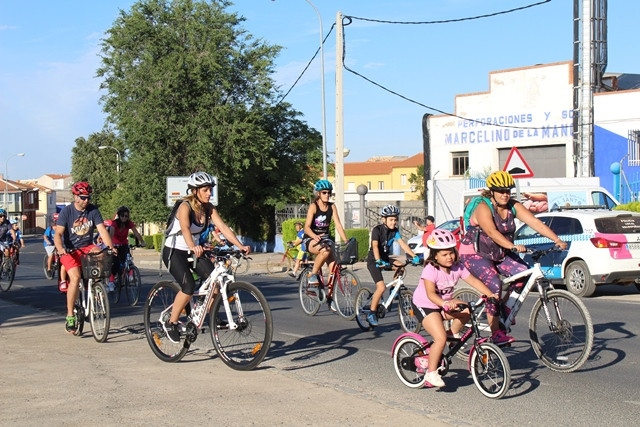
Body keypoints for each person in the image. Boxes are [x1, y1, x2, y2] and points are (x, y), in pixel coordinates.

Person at [459, 171, 568, 344]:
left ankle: (503, 309)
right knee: (494, 285)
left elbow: (535, 222)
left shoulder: (513, 206)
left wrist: (557, 239)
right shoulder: (483, 207)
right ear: (492, 192)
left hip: (499, 252)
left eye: (508, 191)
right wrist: (512, 246)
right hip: (474, 252)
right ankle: (496, 333)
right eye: (501, 191)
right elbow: (491, 232)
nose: (505, 194)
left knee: (524, 274)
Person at [162, 172, 250, 343]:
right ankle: (171, 323)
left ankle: (211, 316)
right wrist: (192, 246)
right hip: (174, 250)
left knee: (214, 282)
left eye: (210, 190)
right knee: (188, 286)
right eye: (205, 190)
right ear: (195, 191)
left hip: (195, 251)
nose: (209, 193)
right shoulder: (185, 206)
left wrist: (239, 246)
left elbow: (223, 227)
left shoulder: (209, 208)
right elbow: (186, 229)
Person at [412, 229, 498, 388]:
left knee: (467, 311)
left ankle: (452, 334)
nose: (449, 257)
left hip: (444, 304)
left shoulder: (458, 267)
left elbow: (474, 281)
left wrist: (490, 294)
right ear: (434, 255)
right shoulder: (430, 270)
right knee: (440, 338)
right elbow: (431, 294)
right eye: (444, 254)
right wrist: (444, 304)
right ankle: (431, 374)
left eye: (451, 252)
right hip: (425, 305)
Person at [54, 181, 116, 334]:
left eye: (88, 197)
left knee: (101, 253)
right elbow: (58, 234)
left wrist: (110, 247)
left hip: (87, 246)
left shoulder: (93, 210)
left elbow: (102, 231)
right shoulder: (66, 212)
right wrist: (60, 249)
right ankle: (70, 315)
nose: (86, 200)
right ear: (75, 196)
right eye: (82, 197)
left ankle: (96, 286)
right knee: (74, 278)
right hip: (70, 250)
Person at [366, 205, 420, 326]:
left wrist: (414, 256)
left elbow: (403, 245)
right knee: (380, 287)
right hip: (374, 261)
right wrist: (378, 260)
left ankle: (394, 288)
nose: (393, 222)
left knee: (401, 266)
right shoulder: (377, 230)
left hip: (385, 259)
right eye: (391, 219)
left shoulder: (395, 231)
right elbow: (375, 246)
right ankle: (371, 313)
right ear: (384, 219)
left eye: (395, 219)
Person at [303, 180, 349, 291]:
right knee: (325, 251)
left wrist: (346, 240)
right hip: (311, 239)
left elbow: (338, 225)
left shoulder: (332, 207)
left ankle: (330, 296)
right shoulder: (314, 206)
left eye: (329, 193)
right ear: (318, 193)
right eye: (324, 192)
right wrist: (314, 236)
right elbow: (306, 228)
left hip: (325, 240)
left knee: (334, 268)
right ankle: (313, 274)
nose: (327, 195)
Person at [108, 206, 146, 291]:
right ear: (119, 215)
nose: (124, 217)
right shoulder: (114, 224)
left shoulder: (129, 223)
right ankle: (111, 282)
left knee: (128, 259)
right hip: (115, 245)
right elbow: (110, 235)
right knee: (115, 264)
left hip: (124, 244)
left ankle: (130, 274)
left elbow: (136, 233)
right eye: (122, 215)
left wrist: (142, 242)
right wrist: (111, 246)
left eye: (126, 216)